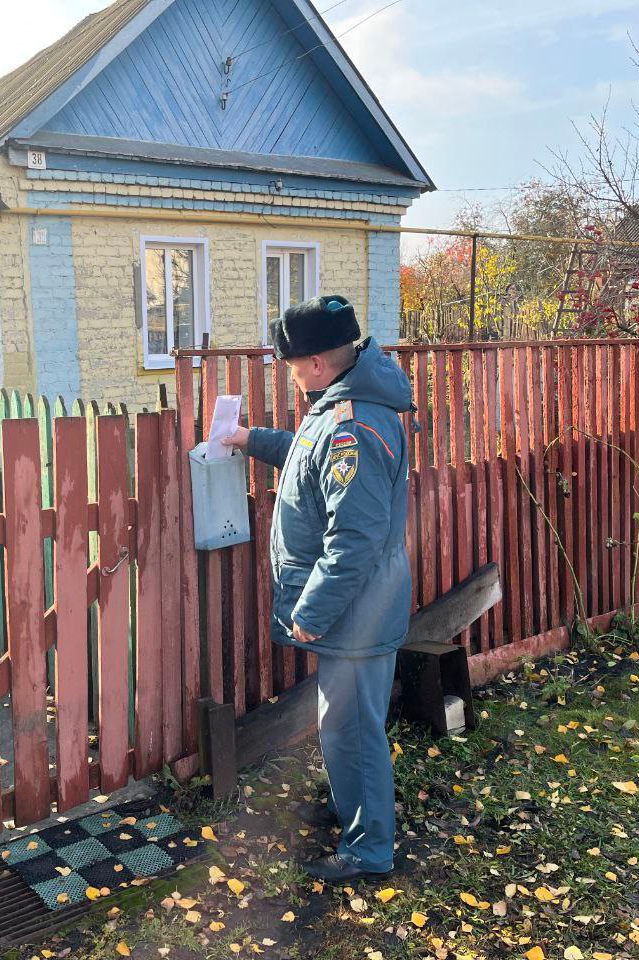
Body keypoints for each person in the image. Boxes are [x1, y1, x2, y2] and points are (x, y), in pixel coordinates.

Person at [222, 294, 413, 882]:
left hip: (355, 614)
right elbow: (307, 459)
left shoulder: (354, 427)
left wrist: (311, 611)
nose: (290, 375)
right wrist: (251, 440)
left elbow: (354, 539)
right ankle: (355, 808)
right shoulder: (337, 409)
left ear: (316, 363)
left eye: (292, 366)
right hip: (356, 611)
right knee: (344, 726)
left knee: (353, 731)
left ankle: (369, 849)